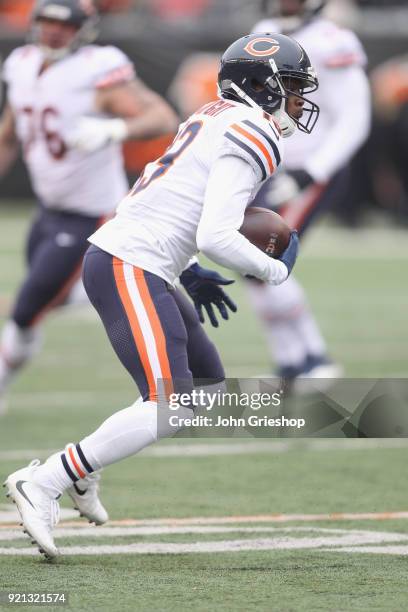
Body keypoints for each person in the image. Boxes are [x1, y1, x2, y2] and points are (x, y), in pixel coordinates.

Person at [3, 31, 313, 559]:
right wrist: (271, 270)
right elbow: (218, 234)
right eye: (290, 87)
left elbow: (173, 196)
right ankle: (48, 479)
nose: (298, 101)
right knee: (170, 404)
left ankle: (82, 474)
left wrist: (187, 269)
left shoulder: (215, 114)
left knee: (209, 388)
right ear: (262, 87)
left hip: (144, 260)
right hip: (129, 263)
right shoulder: (256, 131)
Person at [0, 0, 179, 419]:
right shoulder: (23, 63)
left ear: (84, 29)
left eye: (64, 25)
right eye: (46, 22)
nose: (54, 32)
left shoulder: (98, 68)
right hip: (49, 210)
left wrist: (116, 128)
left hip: (92, 213)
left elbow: (162, 116)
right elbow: (10, 129)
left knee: (27, 308)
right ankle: (113, 284)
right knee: (44, 301)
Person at [246, 0, 371, 387]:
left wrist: (312, 171)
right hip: (267, 164)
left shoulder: (334, 40)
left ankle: (313, 357)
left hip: (311, 169)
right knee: (251, 262)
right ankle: (290, 362)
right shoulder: (261, 31)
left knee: (265, 256)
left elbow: (354, 117)